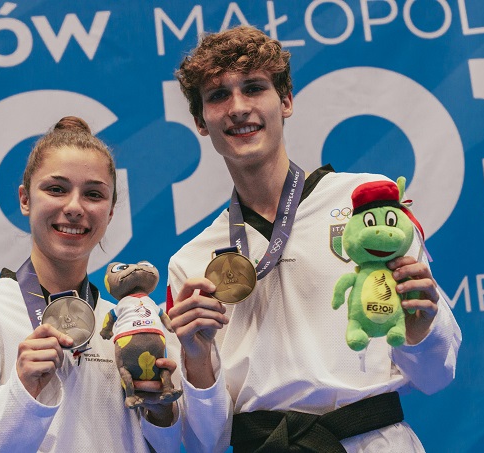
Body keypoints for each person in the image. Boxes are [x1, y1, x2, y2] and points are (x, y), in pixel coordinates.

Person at [166, 26, 462, 452]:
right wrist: (195, 357)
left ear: (285, 101)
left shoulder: (371, 207)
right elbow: (204, 440)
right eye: (217, 96)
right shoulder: (192, 263)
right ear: (200, 121)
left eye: (253, 88)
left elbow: (438, 376)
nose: (237, 107)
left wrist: (421, 326)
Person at [0, 117, 182, 452]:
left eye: (93, 194)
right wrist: (21, 390)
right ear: (25, 199)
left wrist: (161, 411)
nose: (74, 207)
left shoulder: (125, 325)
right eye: (56, 189)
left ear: (111, 211)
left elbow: (165, 446)